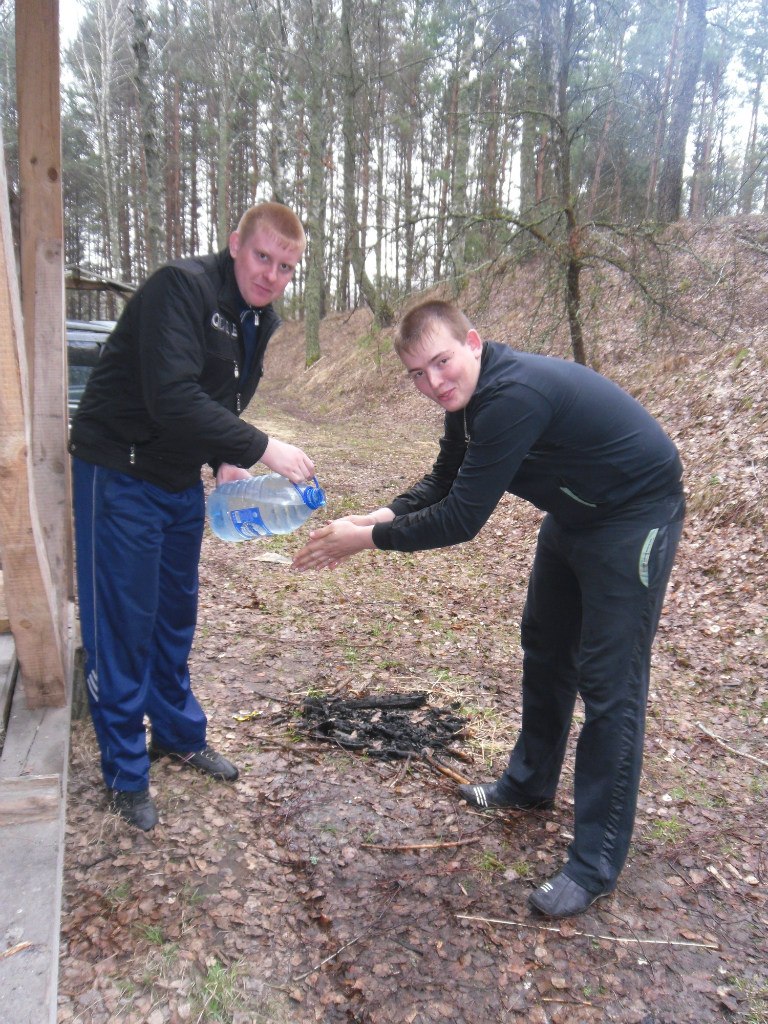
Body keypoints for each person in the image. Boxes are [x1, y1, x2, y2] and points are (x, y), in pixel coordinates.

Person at [293, 299, 685, 919]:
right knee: (546, 646)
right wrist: (379, 515)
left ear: (473, 343)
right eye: (417, 374)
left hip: (634, 515)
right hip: (575, 514)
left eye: (441, 362)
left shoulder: (511, 396)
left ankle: (594, 863)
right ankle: (528, 785)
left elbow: (460, 518)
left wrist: (364, 541)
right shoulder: (467, 401)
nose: (433, 383)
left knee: (611, 686)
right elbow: (444, 480)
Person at [70, 202, 314, 831]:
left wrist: (223, 460)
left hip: (178, 479)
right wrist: (261, 448)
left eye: (286, 267)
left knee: (174, 616)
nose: (271, 276)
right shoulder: (179, 288)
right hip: (119, 470)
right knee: (123, 622)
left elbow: (218, 400)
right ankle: (125, 771)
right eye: (263, 257)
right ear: (235, 245)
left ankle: (178, 735)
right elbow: (172, 395)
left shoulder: (258, 318)